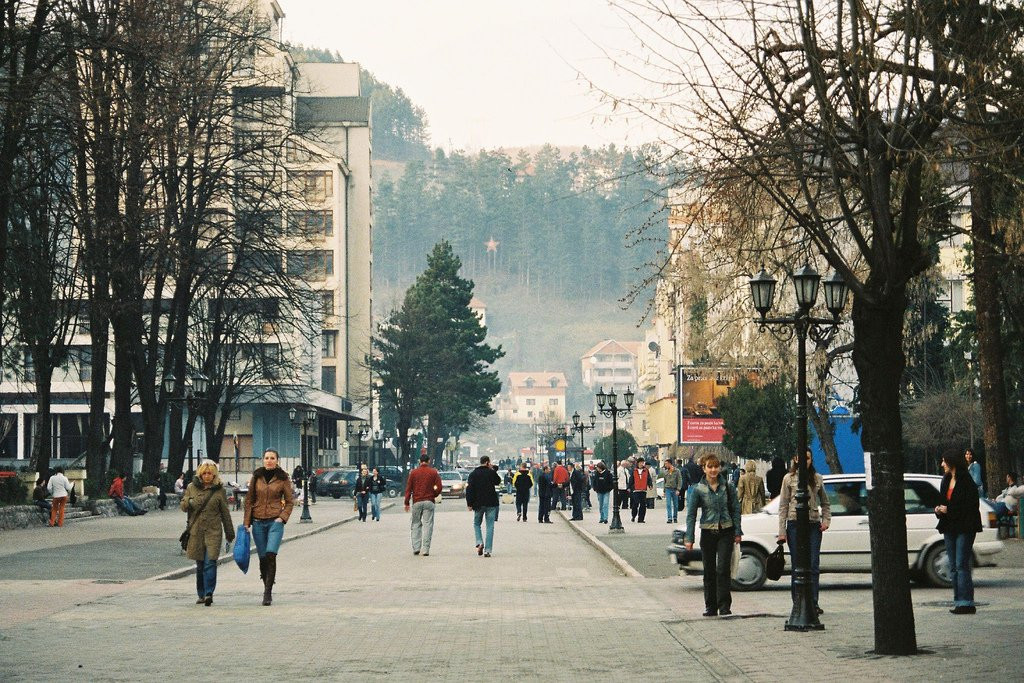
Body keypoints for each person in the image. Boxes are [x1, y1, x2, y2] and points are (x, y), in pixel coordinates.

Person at [684, 452, 742, 617]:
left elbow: (736, 510)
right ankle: (710, 606)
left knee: (723, 568)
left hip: (726, 530)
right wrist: (689, 538)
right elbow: (691, 515)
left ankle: (724, 605)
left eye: (716, 466)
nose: (713, 470)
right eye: (710, 467)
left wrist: (737, 531)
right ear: (704, 468)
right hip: (707, 532)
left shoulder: (728, 487)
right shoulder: (698, 489)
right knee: (709, 570)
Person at [777, 454, 831, 615]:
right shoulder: (788, 478)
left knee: (813, 565)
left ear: (811, 460)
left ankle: (813, 602)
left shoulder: (817, 478)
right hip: (794, 524)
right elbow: (783, 506)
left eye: (807, 458)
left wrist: (826, 520)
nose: (804, 461)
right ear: (795, 459)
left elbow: (826, 503)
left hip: (813, 524)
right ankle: (798, 603)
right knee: (797, 565)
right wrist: (782, 531)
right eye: (801, 458)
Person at [244, 448, 294, 606]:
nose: (269, 460)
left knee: (271, 554)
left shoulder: (282, 478)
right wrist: (247, 523)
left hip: (275, 522)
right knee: (263, 557)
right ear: (263, 460)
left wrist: (282, 517)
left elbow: (290, 501)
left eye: (272, 458)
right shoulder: (257, 476)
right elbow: (249, 500)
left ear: (277, 461)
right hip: (258, 521)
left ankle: (267, 593)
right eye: (266, 458)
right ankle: (266, 581)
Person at [936, 449, 983, 614]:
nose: (942, 464)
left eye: (944, 461)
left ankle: (967, 603)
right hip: (949, 527)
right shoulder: (946, 480)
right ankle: (959, 601)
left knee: (962, 564)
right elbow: (942, 501)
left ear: (952, 462)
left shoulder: (966, 482)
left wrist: (948, 510)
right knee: (954, 566)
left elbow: (969, 507)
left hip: (965, 527)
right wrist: (939, 510)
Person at [180, 461, 234, 606]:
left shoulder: (219, 490)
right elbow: (183, 505)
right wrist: (190, 501)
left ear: (214, 474)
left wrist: (230, 533)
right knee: (200, 564)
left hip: (213, 531)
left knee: (210, 562)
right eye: (204, 473)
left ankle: (209, 592)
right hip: (196, 531)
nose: (207, 476)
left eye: (210, 473)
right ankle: (201, 593)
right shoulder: (191, 487)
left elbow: (225, 513)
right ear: (200, 474)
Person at [404, 453, 442, 556]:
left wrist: (407, 502)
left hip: (417, 501)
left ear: (419, 462)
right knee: (428, 525)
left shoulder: (413, 473)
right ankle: (425, 549)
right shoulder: (433, 472)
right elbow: (439, 487)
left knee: (416, 524)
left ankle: (416, 547)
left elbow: (408, 489)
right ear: (429, 461)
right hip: (429, 501)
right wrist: (433, 494)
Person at [466, 455, 502, 557]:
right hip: (491, 503)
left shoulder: (473, 474)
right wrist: (492, 469)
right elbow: (498, 481)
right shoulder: (491, 473)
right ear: (487, 462)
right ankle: (488, 550)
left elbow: (469, 489)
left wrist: (469, 503)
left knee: (477, 524)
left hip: (478, 503)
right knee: (490, 526)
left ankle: (479, 542)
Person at [628, 457, 653, 523]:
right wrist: (629, 487)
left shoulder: (646, 470)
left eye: (643, 462)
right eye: (641, 462)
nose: (642, 464)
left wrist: (650, 485)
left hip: (643, 490)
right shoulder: (634, 470)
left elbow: (649, 478)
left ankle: (641, 519)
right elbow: (631, 480)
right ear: (638, 463)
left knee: (643, 505)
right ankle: (633, 515)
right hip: (636, 490)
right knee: (635, 504)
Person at [662, 459, 683, 524]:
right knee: (668, 504)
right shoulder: (665, 472)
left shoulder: (677, 471)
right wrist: (664, 491)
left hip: (675, 489)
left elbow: (680, 480)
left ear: (670, 464)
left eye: (666, 464)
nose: (665, 465)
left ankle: (675, 517)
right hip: (668, 489)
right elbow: (664, 482)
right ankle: (669, 518)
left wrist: (678, 489)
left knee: (676, 505)